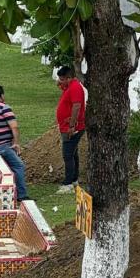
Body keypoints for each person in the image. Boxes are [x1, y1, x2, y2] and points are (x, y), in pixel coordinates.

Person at [55, 66, 86, 194]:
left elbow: (77, 106)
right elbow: (62, 88)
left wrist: (72, 125)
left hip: (72, 127)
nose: (60, 81)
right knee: (73, 153)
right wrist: (60, 84)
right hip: (66, 126)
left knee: (67, 154)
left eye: (62, 79)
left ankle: (68, 183)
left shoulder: (75, 88)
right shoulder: (69, 86)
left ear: (68, 78)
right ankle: (74, 179)